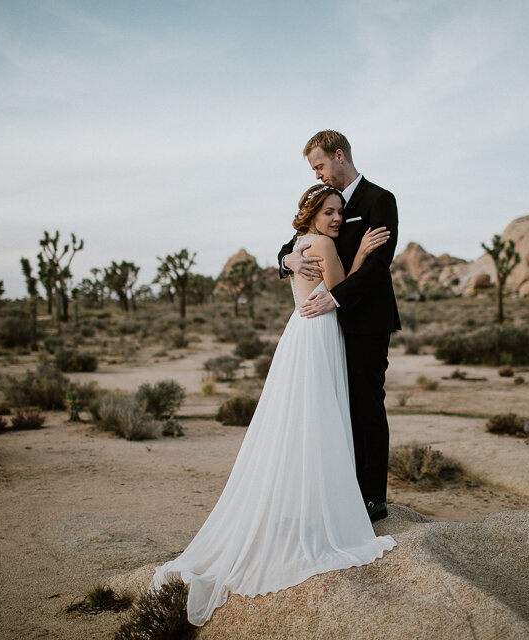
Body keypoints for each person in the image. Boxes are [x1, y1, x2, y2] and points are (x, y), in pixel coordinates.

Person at [151, 184, 396, 627]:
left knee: (297, 419)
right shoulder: (321, 243)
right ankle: (322, 506)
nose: (337, 218)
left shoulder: (301, 243)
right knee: (320, 418)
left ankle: (303, 500)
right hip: (320, 333)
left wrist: (292, 258)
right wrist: (360, 252)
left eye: (340, 211)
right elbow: (342, 290)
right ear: (312, 213)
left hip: (299, 335)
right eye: (329, 211)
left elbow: (308, 273)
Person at [278, 130, 401, 523]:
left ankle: (372, 499)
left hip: (364, 320)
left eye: (320, 165)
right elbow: (291, 244)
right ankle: (338, 489)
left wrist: (336, 297)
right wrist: (287, 262)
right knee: (333, 407)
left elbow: (378, 266)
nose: (317, 174)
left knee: (366, 404)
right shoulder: (324, 205)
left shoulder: (380, 200)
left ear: (340, 155)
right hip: (326, 326)